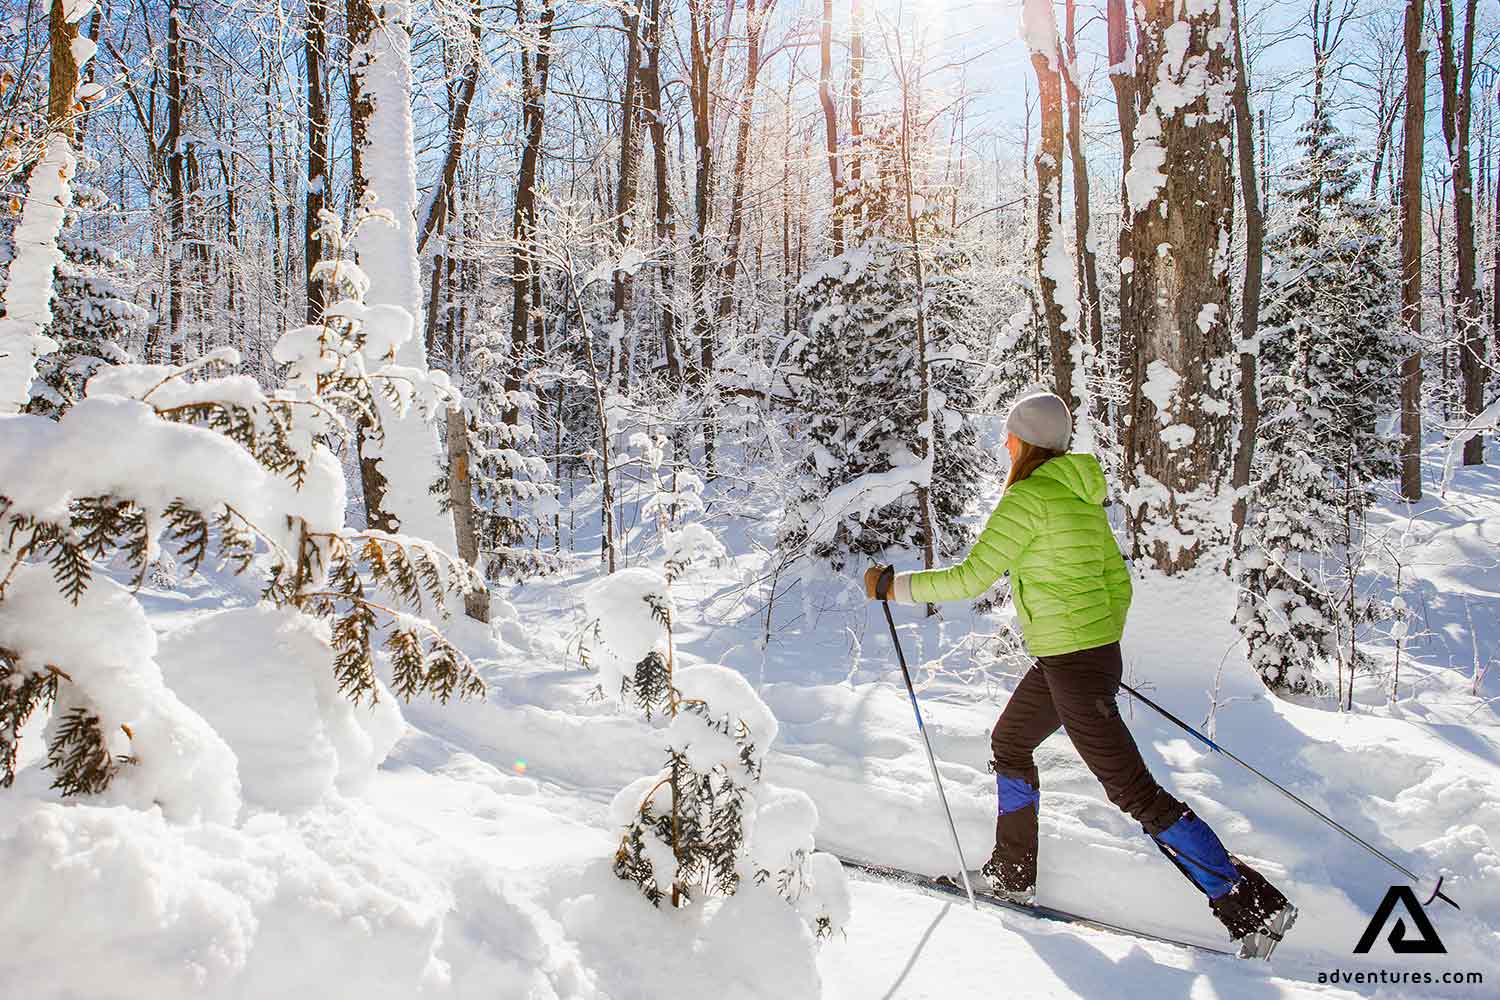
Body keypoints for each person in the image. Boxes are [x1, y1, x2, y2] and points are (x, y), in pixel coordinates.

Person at [863, 390, 1296, 959]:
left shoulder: (1029, 498)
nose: (1005, 443)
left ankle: (1251, 904)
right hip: (1076, 659)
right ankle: (1012, 873)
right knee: (1010, 741)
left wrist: (893, 587)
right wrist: (1093, 647)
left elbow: (972, 579)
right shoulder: (1079, 496)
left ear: (1022, 442)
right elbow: (1119, 584)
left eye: (1009, 435)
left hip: (1073, 663)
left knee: (1132, 791)